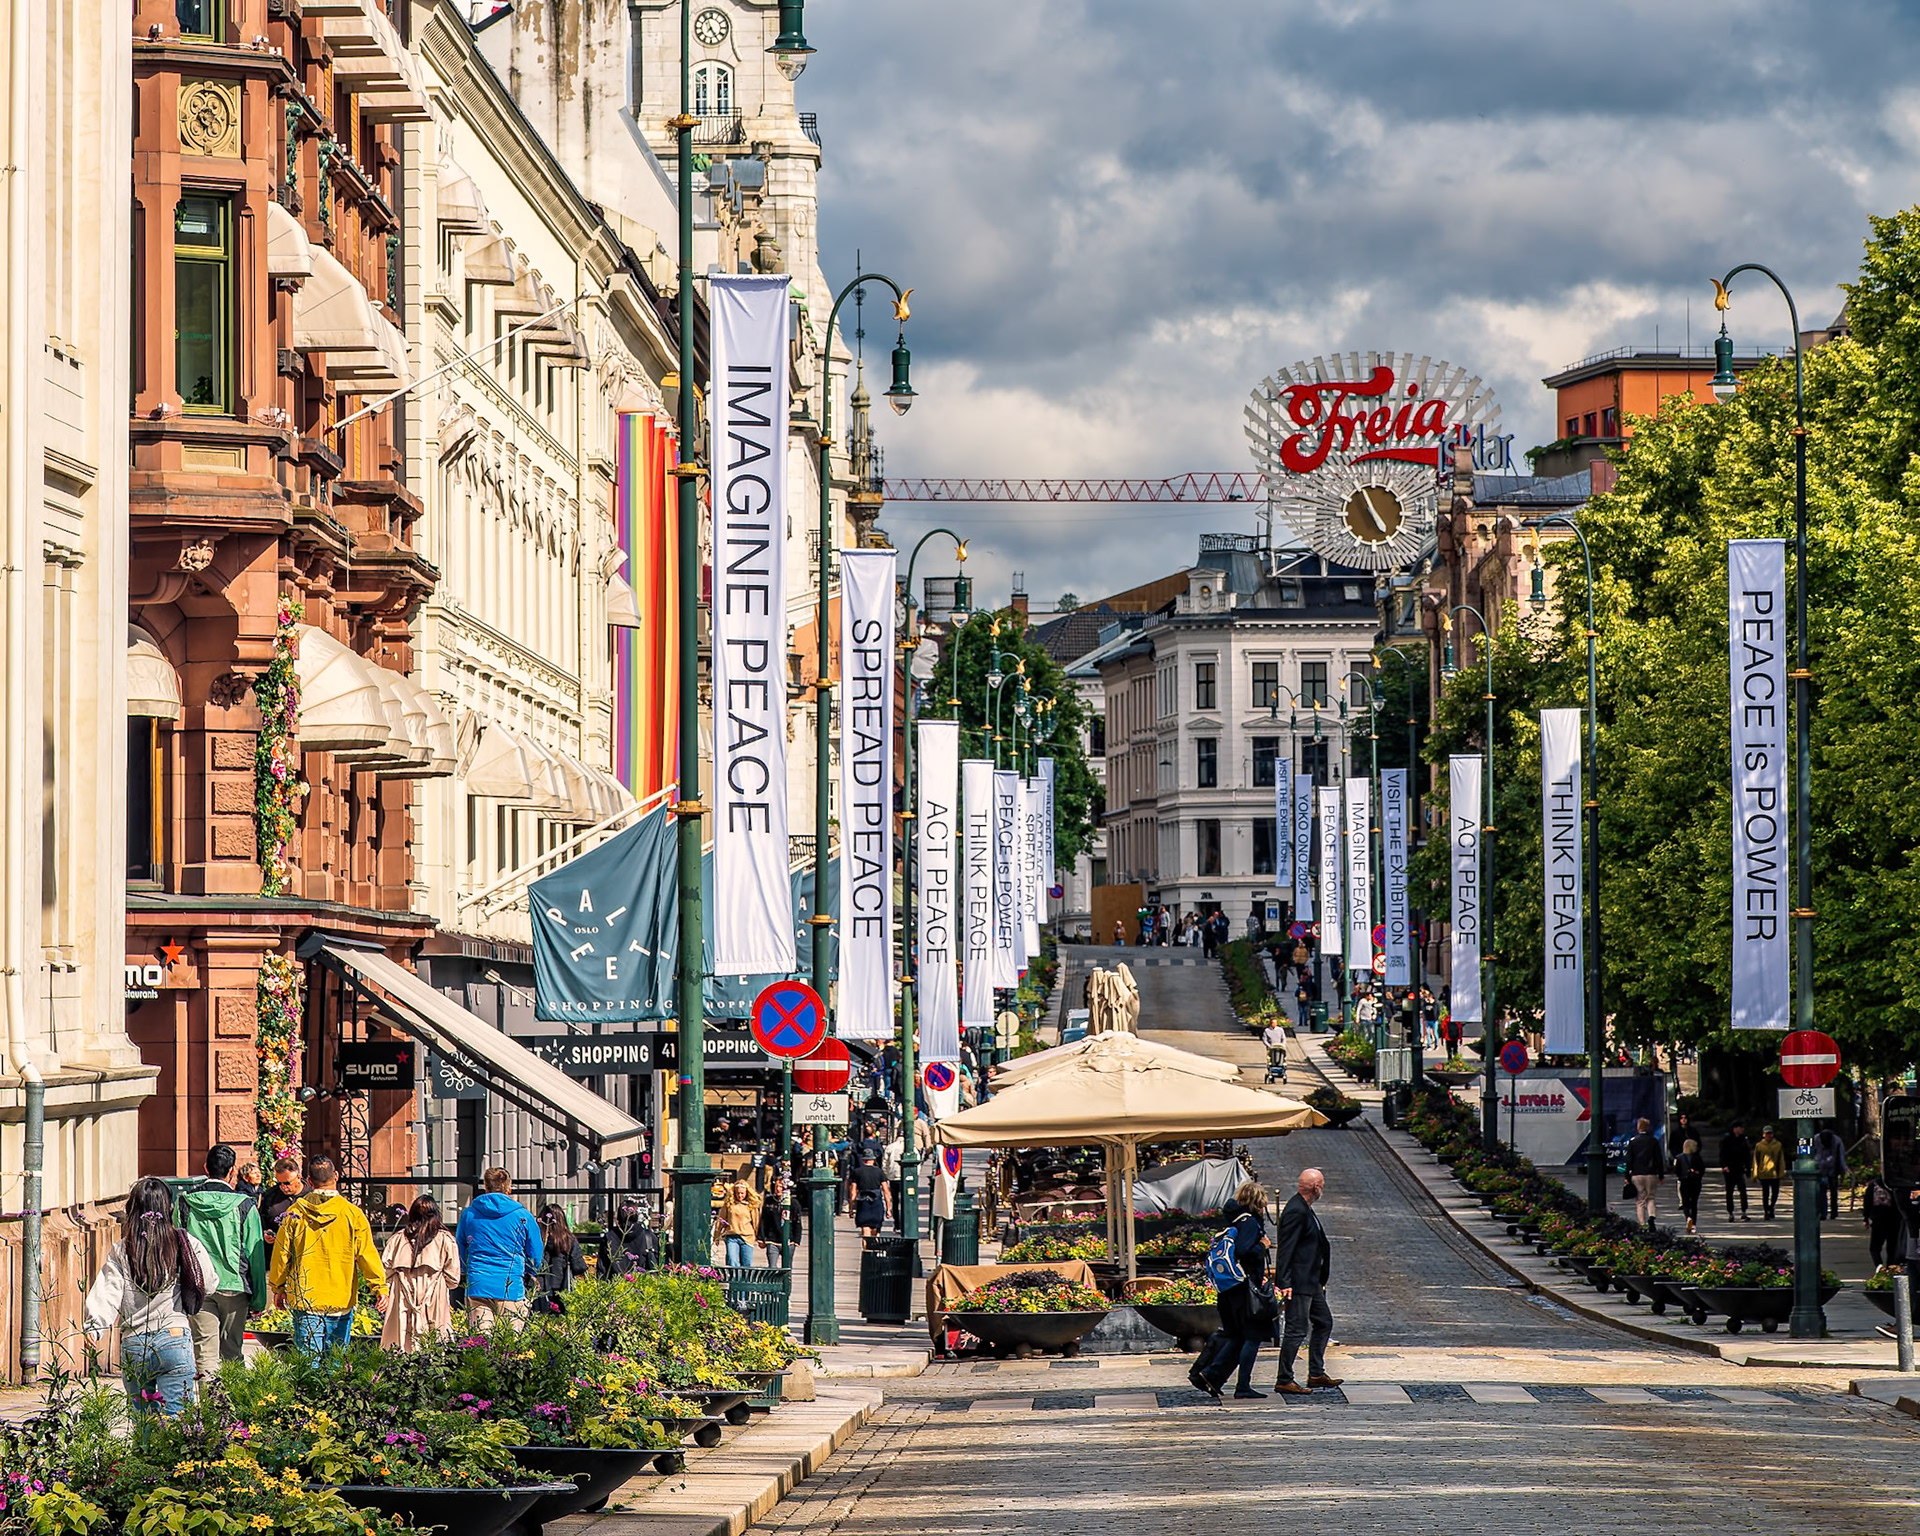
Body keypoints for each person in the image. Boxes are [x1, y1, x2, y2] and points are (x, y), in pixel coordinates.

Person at [83, 1177, 217, 1415]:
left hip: (135, 1342)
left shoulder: (123, 1249)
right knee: (179, 1419)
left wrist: (94, 1326)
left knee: (143, 1420)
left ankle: (145, 1452)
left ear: (132, 1210)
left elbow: (109, 1290)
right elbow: (209, 1283)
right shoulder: (185, 1243)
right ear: (169, 1208)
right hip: (175, 1337)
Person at [266, 1156, 387, 1357]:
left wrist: (278, 1287)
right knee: (337, 1366)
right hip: (340, 1299)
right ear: (336, 1176)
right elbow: (367, 1255)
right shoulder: (352, 1214)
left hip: (306, 1298)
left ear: (309, 1182)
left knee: (307, 1365)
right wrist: (379, 1288)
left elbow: (282, 1254)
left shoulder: (295, 1213)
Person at [174, 1142, 267, 1378]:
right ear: (233, 1170)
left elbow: (176, 1249)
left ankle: (208, 1412)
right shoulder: (246, 1206)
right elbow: (255, 1256)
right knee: (232, 1352)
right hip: (234, 1288)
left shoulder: (184, 1203)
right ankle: (235, 1409)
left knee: (205, 1354)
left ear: (206, 1168)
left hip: (199, 1287)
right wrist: (258, 1299)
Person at [1195, 1181, 1273, 1400]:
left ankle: (1209, 1376)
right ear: (1258, 1201)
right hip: (1243, 1289)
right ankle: (1241, 1385)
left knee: (1238, 1336)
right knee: (1252, 1335)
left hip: (1231, 1289)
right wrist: (1262, 1246)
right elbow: (1245, 1251)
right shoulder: (1248, 1222)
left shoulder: (1235, 1218)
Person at [1272, 1167, 1341, 1394]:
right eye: (1322, 1184)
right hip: (1299, 1283)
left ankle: (1316, 1373)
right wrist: (1284, 1281)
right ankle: (1284, 1378)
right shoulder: (1296, 1211)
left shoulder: (1305, 1209)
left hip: (1312, 1282)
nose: (1324, 1188)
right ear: (1316, 1187)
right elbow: (1286, 1249)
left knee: (1323, 1322)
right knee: (1296, 1329)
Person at [454, 1166, 544, 1327]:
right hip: (510, 1284)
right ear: (509, 1189)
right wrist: (531, 1272)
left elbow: (460, 1247)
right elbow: (535, 1252)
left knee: (479, 1344)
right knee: (509, 1343)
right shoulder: (523, 1216)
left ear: (486, 1188)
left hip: (478, 1283)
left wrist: (464, 1270)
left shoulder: (469, 1214)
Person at [379, 1195, 460, 1351]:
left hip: (402, 1296)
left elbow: (385, 1273)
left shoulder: (397, 1240)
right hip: (434, 1297)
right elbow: (453, 1279)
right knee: (434, 1346)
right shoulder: (445, 1240)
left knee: (401, 1345)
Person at [536, 1205, 589, 1303]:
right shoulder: (569, 1240)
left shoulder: (538, 1239)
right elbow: (579, 1267)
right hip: (563, 1287)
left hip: (540, 1289)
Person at [600, 1199, 661, 1276]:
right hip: (644, 1284)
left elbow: (602, 1269)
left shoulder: (609, 1237)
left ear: (618, 1216)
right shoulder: (648, 1236)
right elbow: (657, 1263)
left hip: (616, 1285)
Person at [1624, 1117, 1664, 1227]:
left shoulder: (1633, 1142)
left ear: (1638, 1128)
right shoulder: (1653, 1141)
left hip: (1637, 1173)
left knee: (1640, 1201)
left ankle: (1642, 1224)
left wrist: (1627, 1176)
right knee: (1650, 1197)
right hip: (1651, 1173)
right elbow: (1658, 1159)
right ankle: (1651, 1215)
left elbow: (1629, 1160)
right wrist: (1661, 1175)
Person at [1864, 1173, 1907, 1267]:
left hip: (1878, 1220)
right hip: (1895, 1220)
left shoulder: (1874, 1184)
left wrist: (1866, 1218)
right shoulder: (1897, 1184)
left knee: (1875, 1247)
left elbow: (1867, 1202)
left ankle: (1879, 1266)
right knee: (1892, 1247)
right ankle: (1891, 1267)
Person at [259, 1158, 303, 1248]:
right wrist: (265, 1233)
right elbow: (261, 1220)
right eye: (279, 1183)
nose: (283, 1187)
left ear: (298, 1177)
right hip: (276, 1250)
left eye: (287, 1183)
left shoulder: (310, 1195)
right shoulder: (270, 1196)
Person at [717, 1178, 761, 1268]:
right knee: (732, 1261)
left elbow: (756, 1222)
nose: (740, 1196)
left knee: (746, 1264)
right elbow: (720, 1220)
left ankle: (744, 1282)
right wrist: (716, 1235)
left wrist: (759, 1238)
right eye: (738, 1193)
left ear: (746, 1193)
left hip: (747, 1237)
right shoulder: (729, 1204)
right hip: (732, 1236)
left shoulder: (751, 1205)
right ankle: (734, 1281)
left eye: (742, 1193)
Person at [850, 1150, 889, 1237]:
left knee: (865, 1228)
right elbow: (886, 1191)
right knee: (875, 1229)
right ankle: (874, 1247)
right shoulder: (879, 1172)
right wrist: (888, 1208)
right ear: (873, 1160)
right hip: (876, 1202)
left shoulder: (857, 1172)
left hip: (863, 1202)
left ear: (863, 1160)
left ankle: (866, 1249)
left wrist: (851, 1208)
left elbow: (853, 1191)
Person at [1719, 1123, 1753, 1221]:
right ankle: (1730, 1212)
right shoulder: (1727, 1140)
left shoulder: (1743, 1140)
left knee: (1742, 1190)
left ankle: (1744, 1211)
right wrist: (1724, 1165)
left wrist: (1747, 1168)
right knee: (1729, 1191)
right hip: (1729, 1169)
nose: (1741, 1130)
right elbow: (1722, 1154)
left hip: (1739, 1168)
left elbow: (1747, 1155)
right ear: (1735, 1129)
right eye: (1740, 1128)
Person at [1752, 1126, 1787, 1219]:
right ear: (1763, 1134)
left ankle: (1771, 1207)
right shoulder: (1759, 1145)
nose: (1769, 1135)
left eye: (1770, 1133)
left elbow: (1781, 1159)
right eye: (1767, 1133)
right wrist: (1755, 1174)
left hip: (1774, 1173)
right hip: (1763, 1173)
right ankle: (1766, 1211)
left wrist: (1781, 1172)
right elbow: (1756, 1160)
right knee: (1765, 1193)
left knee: (1775, 1193)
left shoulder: (1778, 1145)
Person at [1674, 1138, 1707, 1234]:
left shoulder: (1679, 1158)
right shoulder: (1697, 1157)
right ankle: (1694, 1225)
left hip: (1684, 1181)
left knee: (1685, 1202)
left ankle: (1688, 1217)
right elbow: (1702, 1169)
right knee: (1694, 1203)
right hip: (1695, 1181)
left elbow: (1676, 1171)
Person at [1813, 1126, 1847, 1220]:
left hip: (1833, 1169)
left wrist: (1842, 1169)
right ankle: (1822, 1213)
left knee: (1833, 1192)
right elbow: (1812, 1153)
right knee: (1821, 1192)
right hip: (1820, 1169)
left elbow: (1841, 1157)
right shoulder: (1816, 1139)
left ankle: (1833, 1212)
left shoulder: (1837, 1141)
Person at [758, 1174, 790, 1263]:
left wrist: (796, 1240)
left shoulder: (792, 1202)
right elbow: (764, 1221)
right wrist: (761, 1237)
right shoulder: (769, 1201)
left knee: (787, 1267)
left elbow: (797, 1222)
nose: (778, 1189)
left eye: (781, 1187)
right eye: (776, 1187)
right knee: (772, 1267)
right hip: (772, 1240)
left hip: (788, 1241)